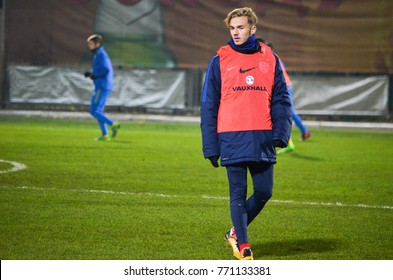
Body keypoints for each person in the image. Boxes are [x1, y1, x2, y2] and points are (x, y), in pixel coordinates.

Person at [200, 7, 292, 260]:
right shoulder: (220, 60)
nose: (236, 32)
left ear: (253, 29)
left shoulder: (270, 59)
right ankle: (243, 245)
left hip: (262, 135)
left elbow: (281, 100)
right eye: (232, 28)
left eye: (240, 27)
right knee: (238, 193)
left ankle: (234, 232)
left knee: (264, 191)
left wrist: (281, 132)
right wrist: (210, 145)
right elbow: (209, 104)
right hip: (230, 135)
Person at [84, 34, 120, 141]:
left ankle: (113, 124)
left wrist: (95, 75)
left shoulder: (100, 54)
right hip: (104, 85)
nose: (89, 46)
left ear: (97, 44)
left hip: (102, 86)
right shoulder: (99, 54)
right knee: (98, 111)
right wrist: (91, 74)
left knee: (94, 111)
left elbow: (105, 70)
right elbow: (103, 69)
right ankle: (105, 135)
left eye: (91, 44)